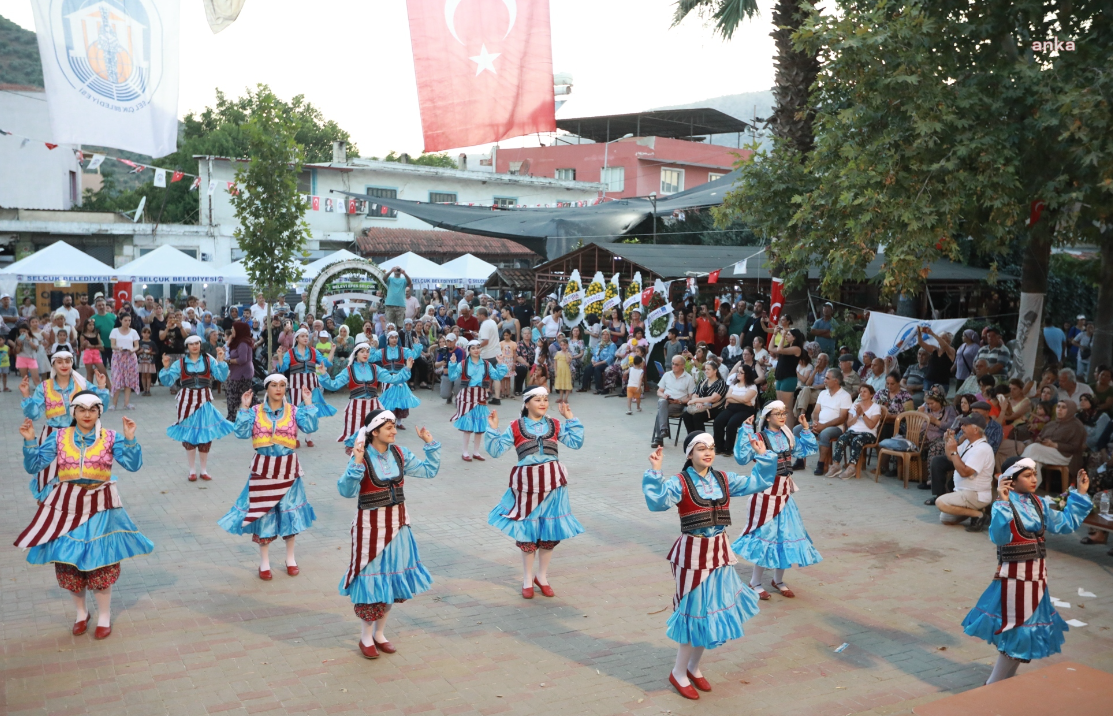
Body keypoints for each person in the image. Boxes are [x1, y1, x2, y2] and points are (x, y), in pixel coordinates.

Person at [642, 431, 775, 699]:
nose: (708, 452)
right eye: (701, 448)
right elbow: (657, 503)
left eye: (712, 447)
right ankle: (678, 672)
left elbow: (758, 482)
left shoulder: (724, 479)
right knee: (694, 613)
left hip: (720, 552)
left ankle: (693, 666)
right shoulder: (680, 482)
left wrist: (763, 457)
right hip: (692, 553)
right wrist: (655, 471)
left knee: (711, 611)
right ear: (690, 453)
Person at [16, 392, 151, 640]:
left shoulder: (110, 437)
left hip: (100, 505)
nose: (86, 414)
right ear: (73, 412)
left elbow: (133, 465)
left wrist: (131, 439)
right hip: (66, 505)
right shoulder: (59, 437)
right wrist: (30, 441)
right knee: (69, 563)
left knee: (100, 563)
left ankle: (104, 616)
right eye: (81, 409)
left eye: (92, 409)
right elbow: (33, 466)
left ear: (99, 411)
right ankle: (81, 613)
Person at [961, 459, 1091, 684]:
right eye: (1027, 475)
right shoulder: (1004, 504)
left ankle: (999, 684)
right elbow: (999, 538)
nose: (1034, 479)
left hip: (1037, 581)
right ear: (1012, 479)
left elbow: (1066, 523)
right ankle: (993, 685)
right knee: (1018, 635)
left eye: (1034, 474)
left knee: (1023, 636)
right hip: (1014, 581)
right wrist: (1002, 503)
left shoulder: (1038, 503)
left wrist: (1080, 494)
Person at [336, 409, 440, 659]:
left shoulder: (400, 454)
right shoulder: (361, 455)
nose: (394, 430)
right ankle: (365, 636)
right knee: (371, 581)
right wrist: (357, 464)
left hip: (399, 526)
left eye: (394, 426)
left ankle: (380, 633)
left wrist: (430, 445)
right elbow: (346, 491)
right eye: (389, 427)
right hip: (370, 528)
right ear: (374, 431)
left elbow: (429, 471)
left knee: (391, 582)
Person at [218, 376, 319, 579]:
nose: (279, 389)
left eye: (282, 385)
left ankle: (290, 558)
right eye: (274, 385)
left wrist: (308, 403)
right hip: (263, 470)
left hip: (288, 471)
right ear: (266, 388)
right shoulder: (255, 412)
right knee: (262, 514)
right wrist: (244, 408)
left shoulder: (293, 410)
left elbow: (310, 427)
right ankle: (264, 562)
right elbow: (240, 433)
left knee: (289, 514)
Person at [485, 388, 583, 598]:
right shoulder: (515, 426)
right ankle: (528, 578)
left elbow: (576, 443)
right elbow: (495, 451)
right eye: (538, 399)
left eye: (546, 399)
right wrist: (492, 429)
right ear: (527, 403)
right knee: (528, 533)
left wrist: (570, 418)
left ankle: (542, 576)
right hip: (526, 487)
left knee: (549, 532)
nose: (543, 403)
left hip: (553, 485)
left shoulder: (555, 424)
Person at [732, 401, 821, 600]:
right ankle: (755, 581)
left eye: (784, 413)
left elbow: (806, 450)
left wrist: (806, 429)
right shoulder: (759, 437)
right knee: (767, 537)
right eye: (777, 413)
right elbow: (741, 457)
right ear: (768, 417)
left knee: (786, 536)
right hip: (766, 494)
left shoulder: (787, 436)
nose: (782, 416)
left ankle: (778, 580)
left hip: (785, 495)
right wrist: (745, 429)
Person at [20, 351, 110, 495]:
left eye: (67, 361)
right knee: (49, 474)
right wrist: (26, 396)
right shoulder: (44, 387)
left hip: (78, 436)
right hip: (52, 436)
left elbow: (100, 407)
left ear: (72, 363)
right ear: (53, 364)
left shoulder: (82, 384)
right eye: (60, 361)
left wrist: (101, 387)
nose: (64, 365)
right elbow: (33, 415)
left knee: (78, 474)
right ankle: (50, 508)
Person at [155, 335, 234, 480]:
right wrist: (166, 367)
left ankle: (203, 470)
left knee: (205, 436)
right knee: (189, 435)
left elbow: (221, 377)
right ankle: (192, 470)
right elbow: (167, 381)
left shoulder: (209, 360)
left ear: (200, 344)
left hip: (204, 400)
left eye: (197, 343)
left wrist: (221, 360)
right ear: (187, 346)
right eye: (191, 344)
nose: (195, 346)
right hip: (186, 400)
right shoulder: (180, 363)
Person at [320, 339, 411, 449]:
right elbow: (333, 385)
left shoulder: (375, 368)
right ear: (356, 353)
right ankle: (357, 464)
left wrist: (407, 368)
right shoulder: (349, 370)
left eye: (367, 351)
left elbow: (393, 379)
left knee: (375, 439)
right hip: (355, 408)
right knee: (356, 440)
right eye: (362, 351)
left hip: (373, 408)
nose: (365, 354)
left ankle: (372, 464)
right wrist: (324, 374)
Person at [275, 328, 339, 446]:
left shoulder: (313, 351)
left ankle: (308, 438)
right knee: (296, 411)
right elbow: (283, 368)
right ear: (297, 338)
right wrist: (279, 356)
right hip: (296, 386)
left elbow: (325, 363)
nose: (305, 338)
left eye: (306, 336)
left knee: (311, 410)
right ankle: (296, 437)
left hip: (312, 385)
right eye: (303, 336)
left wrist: (332, 351)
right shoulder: (290, 353)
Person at [933, 412, 996, 530]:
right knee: (946, 519)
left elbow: (964, 472)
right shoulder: (968, 443)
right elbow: (950, 456)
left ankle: (979, 515)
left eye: (966, 425)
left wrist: (954, 451)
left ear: (975, 429)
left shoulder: (982, 449)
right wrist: (948, 441)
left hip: (975, 494)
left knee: (940, 502)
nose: (962, 427)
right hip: (964, 493)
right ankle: (977, 511)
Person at [448, 340, 509, 461]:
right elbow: (452, 376)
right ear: (469, 350)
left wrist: (500, 363)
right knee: (468, 427)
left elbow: (497, 376)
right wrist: (453, 363)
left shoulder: (486, 364)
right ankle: (465, 452)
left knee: (479, 428)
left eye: (478, 347)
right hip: (467, 397)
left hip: (481, 397)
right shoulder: (464, 364)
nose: (476, 350)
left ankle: (476, 452)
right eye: (473, 348)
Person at [797, 369, 853, 475]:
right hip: (820, 424)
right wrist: (815, 422)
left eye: (827, 378)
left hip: (836, 427)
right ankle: (800, 460)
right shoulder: (823, 393)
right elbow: (815, 412)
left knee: (825, 433)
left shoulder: (845, 396)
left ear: (836, 381)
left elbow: (842, 418)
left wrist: (824, 426)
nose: (824, 380)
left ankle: (821, 464)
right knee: (797, 429)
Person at [823, 384, 883, 479]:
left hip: (869, 434)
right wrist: (857, 415)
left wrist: (862, 414)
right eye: (861, 391)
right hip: (853, 431)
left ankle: (851, 468)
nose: (862, 393)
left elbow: (871, 425)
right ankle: (836, 465)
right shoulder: (855, 405)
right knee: (842, 439)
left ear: (871, 394)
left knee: (857, 440)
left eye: (865, 391)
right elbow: (849, 424)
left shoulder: (876, 407)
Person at [377, 331, 421, 429]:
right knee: (388, 401)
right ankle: (388, 422)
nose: (394, 339)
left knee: (400, 401)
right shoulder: (382, 351)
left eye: (396, 337)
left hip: (400, 377)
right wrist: (371, 348)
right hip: (387, 379)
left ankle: (399, 422)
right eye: (392, 337)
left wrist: (417, 345)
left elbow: (413, 355)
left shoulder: (403, 350)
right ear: (388, 339)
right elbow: (372, 357)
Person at [652, 355, 697, 448]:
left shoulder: (689, 378)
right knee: (662, 402)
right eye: (672, 363)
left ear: (683, 366)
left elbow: (691, 397)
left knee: (660, 411)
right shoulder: (667, 375)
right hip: (666, 401)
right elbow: (659, 391)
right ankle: (664, 429)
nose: (673, 366)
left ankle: (659, 439)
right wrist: (664, 395)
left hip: (679, 405)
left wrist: (679, 401)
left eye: (676, 364)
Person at [224, 322, 256, 421]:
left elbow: (242, 359)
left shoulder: (243, 343)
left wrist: (228, 361)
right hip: (237, 373)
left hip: (242, 374)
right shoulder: (237, 341)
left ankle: (231, 417)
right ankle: (232, 416)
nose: (232, 331)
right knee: (240, 395)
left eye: (234, 329)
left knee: (235, 395)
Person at [684, 361, 727, 435]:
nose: (706, 371)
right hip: (701, 406)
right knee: (686, 415)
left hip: (714, 408)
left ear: (715, 371)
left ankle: (702, 439)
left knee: (697, 416)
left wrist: (697, 400)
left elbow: (713, 398)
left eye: (708, 369)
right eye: (705, 369)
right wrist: (697, 402)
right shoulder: (703, 381)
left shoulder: (721, 383)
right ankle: (692, 437)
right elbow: (695, 394)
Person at [108, 314, 140, 411]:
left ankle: (126, 404)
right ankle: (114, 404)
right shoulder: (115, 331)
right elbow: (112, 345)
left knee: (128, 381)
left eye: (129, 320)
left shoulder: (133, 332)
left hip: (130, 357)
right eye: (125, 320)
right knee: (117, 380)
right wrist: (118, 348)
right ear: (121, 320)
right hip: (118, 357)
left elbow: (137, 346)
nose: (128, 322)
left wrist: (132, 350)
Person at [476, 307, 503, 405]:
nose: (477, 317)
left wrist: (476, 346)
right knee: (496, 377)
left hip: (487, 354)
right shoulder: (492, 322)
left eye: (478, 315)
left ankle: (486, 394)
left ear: (482, 315)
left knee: (484, 376)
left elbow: (486, 341)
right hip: (496, 352)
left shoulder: (484, 325)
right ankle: (497, 398)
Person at [79, 317, 106, 386]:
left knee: (102, 370)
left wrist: (92, 346)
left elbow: (101, 345)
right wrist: (84, 345)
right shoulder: (83, 335)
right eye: (89, 325)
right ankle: (90, 387)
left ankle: (103, 384)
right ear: (86, 326)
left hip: (96, 354)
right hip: (87, 355)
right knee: (90, 372)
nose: (91, 327)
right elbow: (82, 347)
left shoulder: (96, 334)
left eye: (92, 325)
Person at [553, 335, 574, 404]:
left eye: (564, 345)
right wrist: (555, 371)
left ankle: (566, 398)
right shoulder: (558, 353)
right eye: (561, 345)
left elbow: (568, 361)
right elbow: (555, 363)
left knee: (567, 385)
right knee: (561, 386)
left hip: (566, 372)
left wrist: (566, 353)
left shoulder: (568, 354)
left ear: (567, 345)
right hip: (559, 371)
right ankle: (561, 397)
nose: (563, 346)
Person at [137, 326, 157, 396]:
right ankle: (144, 389)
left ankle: (148, 390)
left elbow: (156, 352)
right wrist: (140, 351)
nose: (146, 334)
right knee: (143, 375)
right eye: (144, 333)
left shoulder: (152, 343)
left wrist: (150, 352)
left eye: (148, 333)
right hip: (141, 361)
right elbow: (135, 352)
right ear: (142, 333)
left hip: (149, 362)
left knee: (148, 376)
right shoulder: (139, 342)